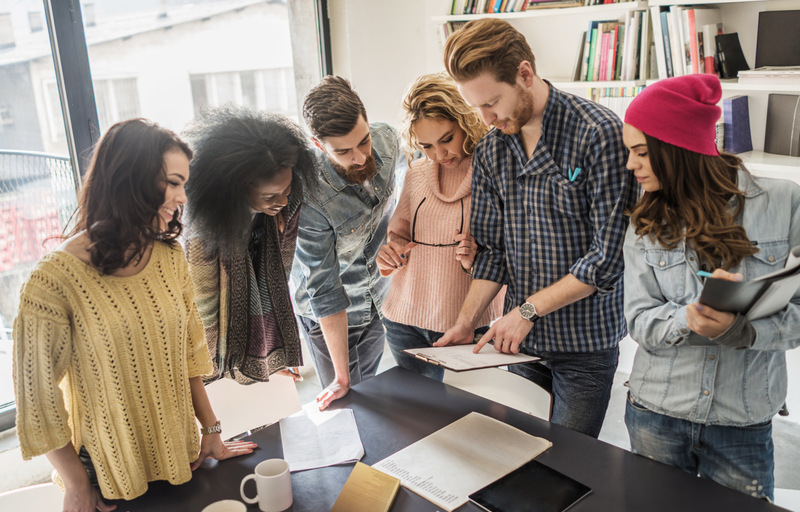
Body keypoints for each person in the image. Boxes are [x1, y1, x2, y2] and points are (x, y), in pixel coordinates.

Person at [12, 119, 256, 511]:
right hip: (108, 479)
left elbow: (189, 352)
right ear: (131, 180)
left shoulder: (170, 256)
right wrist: (76, 484)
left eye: (184, 184)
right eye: (173, 182)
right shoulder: (52, 281)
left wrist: (210, 429)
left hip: (180, 459)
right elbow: (37, 398)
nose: (183, 198)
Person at [436, 18, 638, 438]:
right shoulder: (493, 149)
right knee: (517, 453)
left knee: (569, 464)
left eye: (492, 102)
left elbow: (608, 259)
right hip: (519, 342)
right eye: (476, 108)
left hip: (584, 344)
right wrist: (465, 320)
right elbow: (493, 250)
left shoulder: (598, 133)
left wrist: (528, 309)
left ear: (525, 74)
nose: (487, 118)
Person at [622, 74, 800, 501]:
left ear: (680, 148)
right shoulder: (647, 221)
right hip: (657, 414)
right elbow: (638, 320)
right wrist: (689, 317)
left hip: (742, 419)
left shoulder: (784, 202)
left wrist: (744, 331)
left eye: (642, 152)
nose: (631, 165)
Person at [377, 72, 504, 381]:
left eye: (446, 139)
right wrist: (390, 250)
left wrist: (477, 255)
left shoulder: (496, 172)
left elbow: (506, 254)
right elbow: (399, 232)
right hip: (403, 321)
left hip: (467, 324)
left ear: (466, 119)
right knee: (417, 420)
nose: (439, 154)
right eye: (427, 145)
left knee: (468, 419)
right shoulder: (416, 172)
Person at [290, 76, 403, 409]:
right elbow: (323, 288)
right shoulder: (308, 194)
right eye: (343, 151)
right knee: (347, 402)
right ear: (317, 143)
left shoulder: (386, 140)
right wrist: (340, 377)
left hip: (378, 297)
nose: (359, 158)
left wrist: (399, 235)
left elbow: (412, 181)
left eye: (363, 141)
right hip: (329, 315)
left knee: (370, 388)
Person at [183, 106, 316, 384]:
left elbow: (282, 272)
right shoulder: (205, 219)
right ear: (238, 187)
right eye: (269, 196)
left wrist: (270, 356)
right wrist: (208, 372)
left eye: (286, 189)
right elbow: (203, 302)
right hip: (210, 341)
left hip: (259, 328)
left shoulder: (290, 200)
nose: (281, 201)